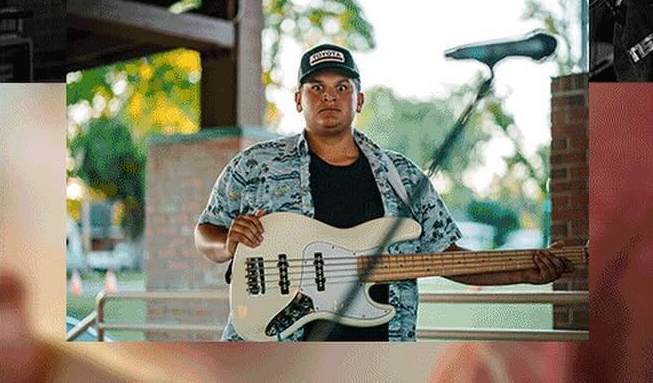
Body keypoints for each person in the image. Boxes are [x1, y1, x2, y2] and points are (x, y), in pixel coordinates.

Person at [196, 43, 570, 342]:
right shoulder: (256, 165)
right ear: (298, 100)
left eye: (342, 87)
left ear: (359, 100)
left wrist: (524, 272)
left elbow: (448, 259)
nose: (330, 97)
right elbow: (205, 233)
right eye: (317, 87)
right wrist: (228, 242)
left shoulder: (403, 176)